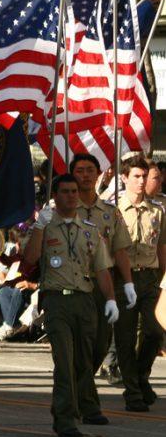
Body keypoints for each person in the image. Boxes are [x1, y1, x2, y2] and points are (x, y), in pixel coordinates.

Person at [24, 174, 119, 437]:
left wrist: (110, 298)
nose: (71, 196)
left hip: (84, 300)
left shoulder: (89, 229)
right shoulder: (45, 226)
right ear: (54, 196)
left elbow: (101, 268)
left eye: (74, 191)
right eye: (65, 191)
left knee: (84, 361)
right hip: (57, 301)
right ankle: (65, 419)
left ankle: (76, 406)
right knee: (64, 361)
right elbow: (30, 258)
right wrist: (40, 227)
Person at [69, 153, 135, 403]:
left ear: (98, 175)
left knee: (100, 344)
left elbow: (119, 250)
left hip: (103, 284)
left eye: (90, 170)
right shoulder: (62, 209)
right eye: (80, 170)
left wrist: (128, 282)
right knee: (79, 345)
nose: (85, 175)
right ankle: (83, 399)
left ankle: (77, 387)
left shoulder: (110, 212)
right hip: (73, 284)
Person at [114, 155, 165, 412]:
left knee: (156, 330)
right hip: (123, 277)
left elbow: (162, 248)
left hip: (149, 277)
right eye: (136, 176)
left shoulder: (157, 211)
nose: (141, 181)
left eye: (145, 176)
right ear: (124, 178)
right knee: (124, 337)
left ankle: (141, 377)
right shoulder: (113, 210)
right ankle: (133, 391)